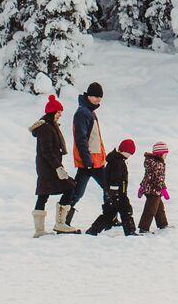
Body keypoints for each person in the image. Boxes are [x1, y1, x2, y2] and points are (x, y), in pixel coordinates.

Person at [59, 81, 107, 231]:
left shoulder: (89, 112)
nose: (98, 100)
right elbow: (81, 139)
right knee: (80, 191)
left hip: (95, 161)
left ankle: (110, 217)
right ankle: (62, 221)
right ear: (88, 96)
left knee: (107, 187)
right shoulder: (82, 113)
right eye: (95, 96)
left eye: (100, 97)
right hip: (90, 161)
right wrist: (87, 161)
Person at [30, 95, 79, 237]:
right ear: (52, 112)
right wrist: (58, 168)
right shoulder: (46, 128)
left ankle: (41, 230)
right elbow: (47, 151)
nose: (60, 116)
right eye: (58, 113)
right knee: (69, 187)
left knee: (43, 195)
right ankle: (59, 223)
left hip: (47, 167)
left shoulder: (49, 126)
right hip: (49, 169)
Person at [86, 138, 139, 236]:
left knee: (108, 214)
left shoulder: (114, 160)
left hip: (113, 194)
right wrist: (115, 193)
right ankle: (130, 231)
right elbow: (114, 178)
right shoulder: (118, 162)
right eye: (130, 153)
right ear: (125, 151)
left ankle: (93, 230)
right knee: (126, 211)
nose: (129, 156)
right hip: (118, 194)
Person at [137, 141, 170, 233]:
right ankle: (143, 228)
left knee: (159, 208)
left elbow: (146, 176)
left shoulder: (151, 162)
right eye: (165, 154)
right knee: (150, 210)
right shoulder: (158, 164)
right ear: (160, 154)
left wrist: (142, 187)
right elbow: (159, 179)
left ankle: (163, 224)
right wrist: (163, 189)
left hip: (151, 190)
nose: (166, 156)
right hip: (154, 191)